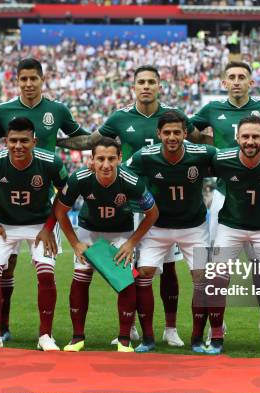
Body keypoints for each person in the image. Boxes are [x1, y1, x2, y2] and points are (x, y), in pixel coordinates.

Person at [59, 65, 209, 347]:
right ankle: (133, 328)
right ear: (133, 86)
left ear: (160, 86)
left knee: (168, 267)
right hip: (129, 200)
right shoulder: (119, 117)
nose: (146, 87)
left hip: (164, 202)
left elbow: (200, 142)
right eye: (141, 82)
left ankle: (171, 328)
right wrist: (50, 141)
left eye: (152, 82)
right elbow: (91, 142)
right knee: (137, 269)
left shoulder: (173, 117)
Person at [0, 58, 90, 342]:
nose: (28, 84)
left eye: (32, 78)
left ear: (42, 79)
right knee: (4, 268)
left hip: (43, 202)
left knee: (197, 262)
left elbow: (82, 139)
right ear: (17, 81)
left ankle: (172, 329)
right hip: (10, 200)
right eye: (23, 79)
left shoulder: (57, 110)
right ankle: (0, 328)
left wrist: (113, 142)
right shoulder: (5, 111)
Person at [191, 61, 260, 348]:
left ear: (250, 82)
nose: (237, 81)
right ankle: (216, 326)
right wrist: (209, 140)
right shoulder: (211, 110)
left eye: (242, 77)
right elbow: (187, 133)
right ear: (224, 81)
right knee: (216, 269)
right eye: (232, 77)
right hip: (223, 195)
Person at [55, 137, 159, 352]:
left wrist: (131, 243)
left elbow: (152, 213)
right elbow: (60, 211)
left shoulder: (131, 181)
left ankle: (123, 340)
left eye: (111, 158)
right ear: (91, 159)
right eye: (100, 159)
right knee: (81, 276)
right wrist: (75, 243)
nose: (106, 164)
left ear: (120, 158)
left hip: (121, 233)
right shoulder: (79, 178)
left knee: (125, 279)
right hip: (89, 231)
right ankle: (77, 338)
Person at [125, 111, 216, 353]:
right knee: (143, 275)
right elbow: (122, 174)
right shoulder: (144, 156)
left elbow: (231, 160)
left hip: (194, 227)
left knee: (202, 279)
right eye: (167, 132)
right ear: (158, 134)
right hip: (157, 227)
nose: (172, 137)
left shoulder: (203, 154)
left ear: (186, 133)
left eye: (177, 132)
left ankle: (196, 340)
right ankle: (148, 338)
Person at [0, 117, 67, 351]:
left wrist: (48, 228)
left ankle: (45, 335)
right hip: (5, 224)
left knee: (45, 274)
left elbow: (65, 192)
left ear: (34, 141)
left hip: (40, 224)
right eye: (13, 140)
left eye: (24, 141)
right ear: (5, 141)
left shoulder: (51, 162)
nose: (18, 146)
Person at [210, 116, 260, 355]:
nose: (250, 141)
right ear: (237, 138)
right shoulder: (223, 158)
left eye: (255, 136)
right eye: (245, 136)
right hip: (230, 227)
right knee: (216, 281)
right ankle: (216, 335)